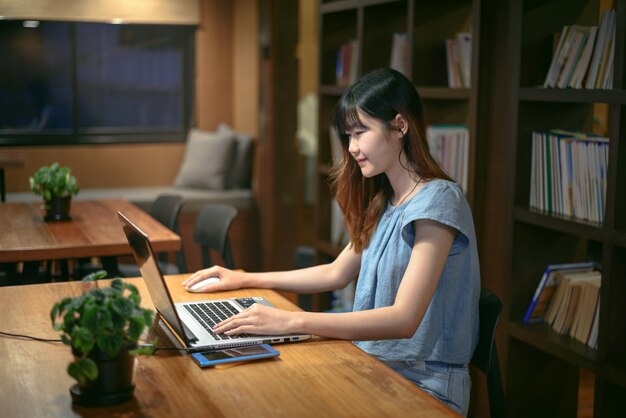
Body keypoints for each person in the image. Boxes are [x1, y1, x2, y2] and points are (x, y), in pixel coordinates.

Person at [182, 67, 480, 416]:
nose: (352, 148)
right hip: (373, 366)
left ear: (400, 126)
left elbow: (404, 319)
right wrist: (244, 277)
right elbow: (335, 273)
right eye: (347, 135)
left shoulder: (439, 199)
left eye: (360, 132)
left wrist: (294, 321)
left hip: (425, 385)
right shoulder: (385, 201)